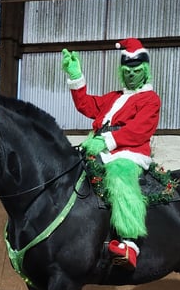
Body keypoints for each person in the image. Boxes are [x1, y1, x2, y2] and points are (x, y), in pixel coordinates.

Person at [61, 38, 161, 269]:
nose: (131, 75)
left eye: (136, 70)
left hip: (129, 152)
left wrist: (107, 140)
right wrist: (75, 76)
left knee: (119, 174)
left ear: (145, 70)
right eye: (127, 70)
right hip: (98, 146)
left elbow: (139, 130)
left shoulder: (150, 99)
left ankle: (130, 242)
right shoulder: (114, 97)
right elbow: (87, 105)